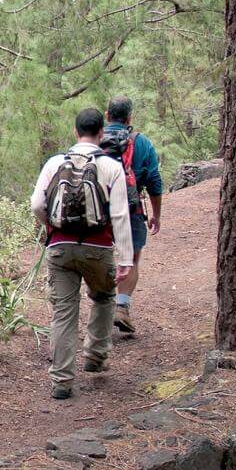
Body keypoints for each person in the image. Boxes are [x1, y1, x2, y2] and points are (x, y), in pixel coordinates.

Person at [30, 107, 134, 400]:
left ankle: (61, 381)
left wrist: (51, 225)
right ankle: (95, 356)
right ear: (101, 134)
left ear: (75, 132)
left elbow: (37, 203)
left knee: (64, 312)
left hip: (60, 247)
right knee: (103, 296)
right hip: (98, 248)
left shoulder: (54, 163)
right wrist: (125, 259)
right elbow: (120, 216)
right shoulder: (111, 166)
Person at [100, 95, 163, 334]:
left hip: (99, 211)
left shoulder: (96, 140)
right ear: (130, 118)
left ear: (107, 116)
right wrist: (156, 214)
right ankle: (122, 307)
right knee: (132, 258)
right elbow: (154, 182)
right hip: (131, 209)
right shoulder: (141, 143)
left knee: (101, 255)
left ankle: (102, 308)